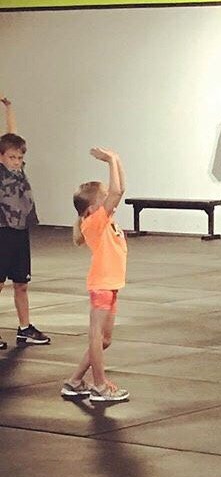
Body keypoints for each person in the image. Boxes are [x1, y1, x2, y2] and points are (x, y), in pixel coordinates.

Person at [61, 147, 129, 402]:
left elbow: (120, 189)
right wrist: (111, 160)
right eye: (104, 197)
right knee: (96, 336)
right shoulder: (94, 222)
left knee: (105, 339)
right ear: (92, 208)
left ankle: (74, 381)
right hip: (101, 285)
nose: (109, 198)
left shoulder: (102, 220)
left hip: (111, 285)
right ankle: (99, 386)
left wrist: (117, 159)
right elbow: (118, 192)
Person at [0, 96, 51, 349]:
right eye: (11, 158)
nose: (16, 162)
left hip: (20, 231)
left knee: (21, 283)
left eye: (19, 158)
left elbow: (13, 136)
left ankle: (24, 328)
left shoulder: (19, 169)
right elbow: (7, 140)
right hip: (2, 231)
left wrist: (9, 108)